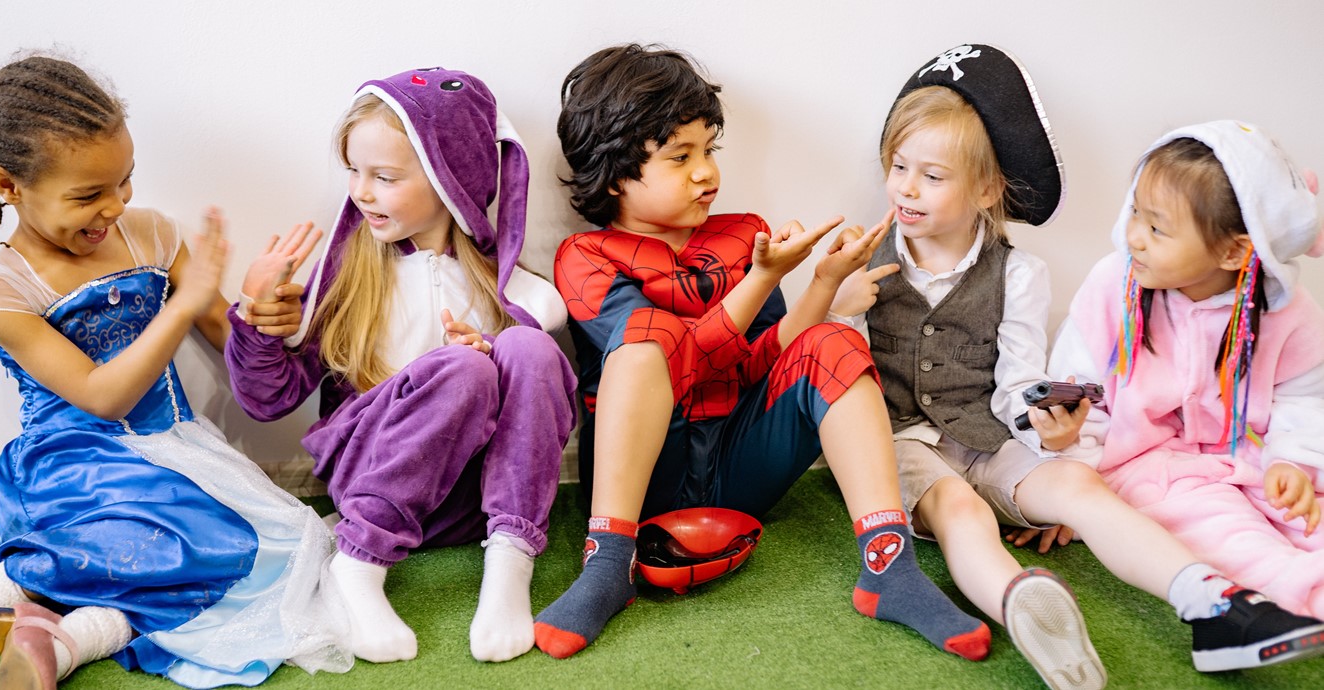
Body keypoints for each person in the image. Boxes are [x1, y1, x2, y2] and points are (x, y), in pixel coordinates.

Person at [834, 46, 1324, 687]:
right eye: (898, 167)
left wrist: (1051, 436)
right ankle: (1023, 605)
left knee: (1079, 490)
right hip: (901, 444)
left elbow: (1016, 386)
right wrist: (837, 308)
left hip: (988, 438)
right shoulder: (856, 260)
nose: (903, 186)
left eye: (931, 174)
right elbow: (831, 382)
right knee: (960, 509)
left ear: (986, 189)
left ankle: (1213, 603)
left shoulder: (1020, 272)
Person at [0, 55, 356, 689]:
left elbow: (232, 349)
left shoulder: (153, 235)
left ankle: (60, 639)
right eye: (86, 195)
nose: (113, 206)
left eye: (124, 181)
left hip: (173, 448)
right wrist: (183, 301)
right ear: (7, 184)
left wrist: (264, 315)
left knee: (283, 545)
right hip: (71, 461)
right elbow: (101, 397)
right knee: (186, 537)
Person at [535, 43, 990, 662]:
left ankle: (889, 567)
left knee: (833, 339)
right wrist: (760, 281)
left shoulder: (742, 234)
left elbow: (768, 359)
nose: (706, 172)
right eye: (680, 157)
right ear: (616, 174)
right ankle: (606, 567)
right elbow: (678, 359)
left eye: (708, 150)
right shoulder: (584, 257)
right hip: (640, 485)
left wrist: (822, 282)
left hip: (737, 469)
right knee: (649, 341)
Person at [224, 67, 576, 665]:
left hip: (470, 507)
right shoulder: (349, 280)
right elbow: (267, 399)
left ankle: (510, 565)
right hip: (371, 484)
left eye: (384, 177)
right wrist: (257, 320)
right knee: (462, 370)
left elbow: (529, 409)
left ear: (450, 182)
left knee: (526, 349)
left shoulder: (506, 285)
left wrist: (491, 357)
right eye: (354, 172)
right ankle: (356, 568)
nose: (361, 192)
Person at [1044, 120, 1324, 668]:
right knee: (1221, 531)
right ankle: (1294, 595)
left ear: (1234, 251)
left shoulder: (1287, 311)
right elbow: (1079, 391)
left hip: (1246, 456)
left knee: (1303, 514)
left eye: (1157, 228)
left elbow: (1304, 397)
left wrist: (1291, 462)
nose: (1134, 237)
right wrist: (1070, 472)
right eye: (1135, 214)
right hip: (1144, 464)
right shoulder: (1113, 286)